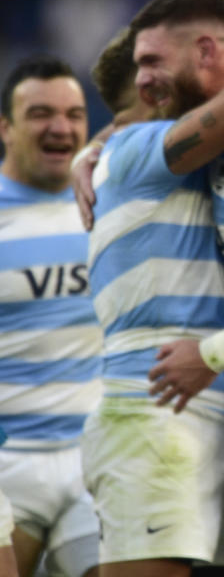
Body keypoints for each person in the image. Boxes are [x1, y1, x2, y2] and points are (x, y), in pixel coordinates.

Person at [82, 0, 224, 577]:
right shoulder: (135, 151)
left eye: (154, 63)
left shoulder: (218, 155)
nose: (152, 81)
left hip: (217, 410)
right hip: (156, 401)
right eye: (142, 71)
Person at [0, 55, 101, 577]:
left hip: (93, 459)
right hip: (10, 463)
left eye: (73, 113)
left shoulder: (106, 204)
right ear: (6, 128)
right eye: (40, 113)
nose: (60, 127)